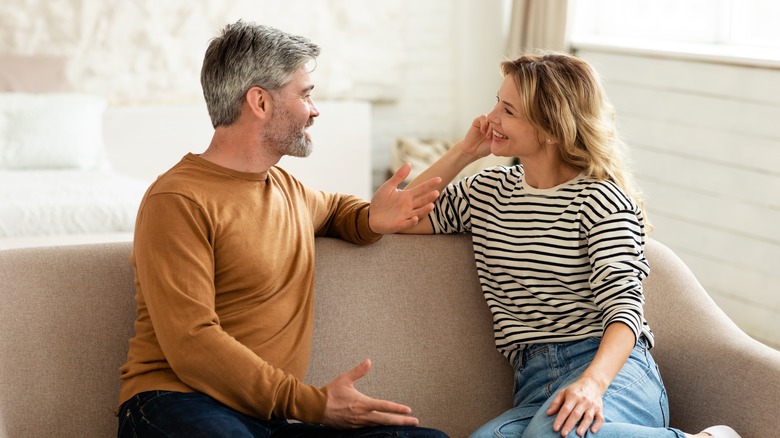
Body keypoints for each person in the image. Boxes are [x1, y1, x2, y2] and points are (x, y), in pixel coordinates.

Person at [116, 20, 448, 438]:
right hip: (174, 403)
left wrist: (370, 218)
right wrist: (315, 404)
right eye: (305, 94)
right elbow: (192, 343)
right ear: (260, 102)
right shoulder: (177, 199)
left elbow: (336, 211)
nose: (315, 109)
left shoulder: (288, 190)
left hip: (264, 419)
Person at [401, 52, 741, 438]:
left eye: (508, 110)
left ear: (550, 127)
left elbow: (625, 311)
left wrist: (592, 385)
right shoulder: (487, 192)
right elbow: (399, 215)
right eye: (496, 101)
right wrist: (464, 152)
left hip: (612, 373)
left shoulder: (600, 199)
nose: (490, 118)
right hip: (534, 382)